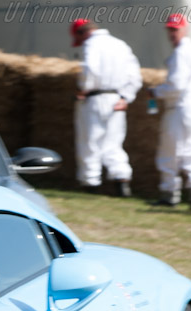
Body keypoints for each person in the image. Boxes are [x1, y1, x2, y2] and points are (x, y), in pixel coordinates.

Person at [71, 19, 141, 197]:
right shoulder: (121, 45)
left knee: (90, 141)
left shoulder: (90, 45)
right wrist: (126, 97)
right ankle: (121, 181)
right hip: (116, 99)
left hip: (94, 98)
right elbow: (134, 75)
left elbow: (89, 71)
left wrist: (82, 89)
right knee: (113, 142)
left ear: (82, 33)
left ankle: (90, 182)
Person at [150, 13, 191, 209]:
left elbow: (175, 86)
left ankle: (170, 194)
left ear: (185, 29)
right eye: (170, 30)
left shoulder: (181, 53)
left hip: (181, 108)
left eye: (175, 30)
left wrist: (155, 91)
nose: (172, 34)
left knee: (170, 151)